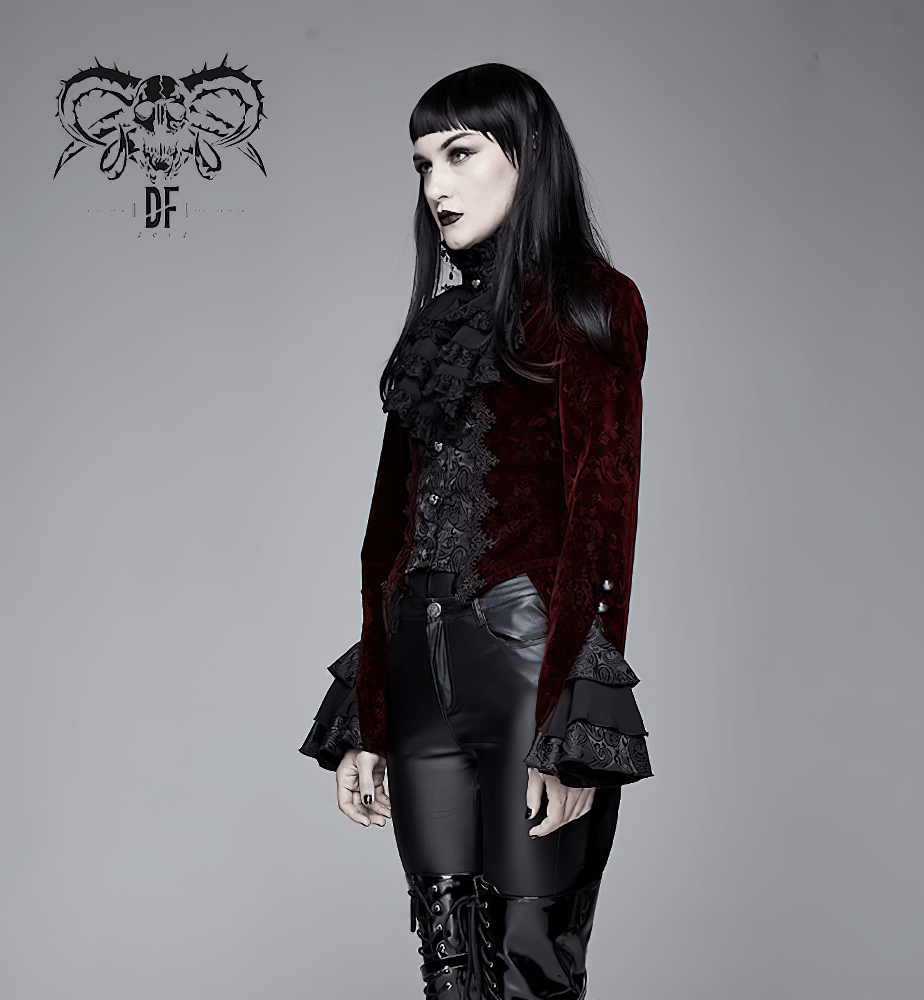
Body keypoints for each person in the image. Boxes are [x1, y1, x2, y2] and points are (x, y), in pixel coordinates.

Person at [300, 63, 652, 1000]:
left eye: (459, 155)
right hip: (419, 667)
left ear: (527, 158)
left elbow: (603, 515)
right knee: (449, 965)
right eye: (423, 164)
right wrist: (370, 716)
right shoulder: (437, 324)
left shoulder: (591, 301)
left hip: (528, 662)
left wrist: (573, 726)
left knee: (534, 962)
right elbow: (386, 537)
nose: (436, 186)